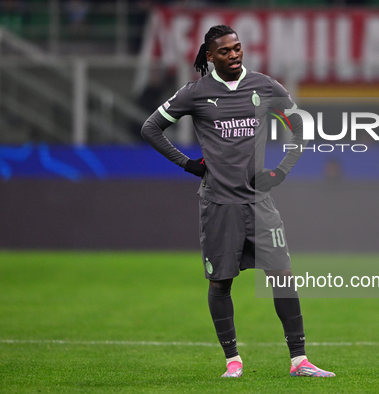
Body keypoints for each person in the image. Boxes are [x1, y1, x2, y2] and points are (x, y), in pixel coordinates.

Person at [141, 25, 335, 379]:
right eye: (225, 50)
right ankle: (233, 361)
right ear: (210, 56)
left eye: (238, 48)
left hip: (259, 205)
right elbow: (151, 128)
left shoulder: (264, 86)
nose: (234, 54)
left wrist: (281, 171)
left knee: (283, 276)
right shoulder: (196, 92)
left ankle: (299, 360)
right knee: (220, 284)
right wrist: (188, 164)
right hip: (218, 205)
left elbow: (299, 126)